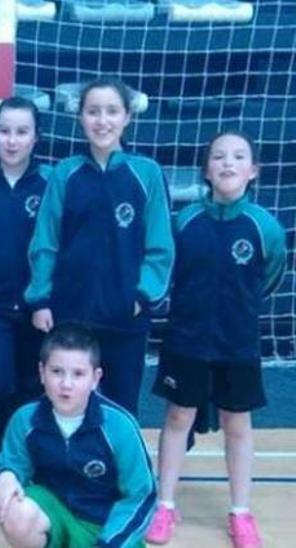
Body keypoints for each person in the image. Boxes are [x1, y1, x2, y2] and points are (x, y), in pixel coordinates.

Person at [145, 131, 287, 548]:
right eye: (219, 156)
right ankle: (165, 505)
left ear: (253, 170)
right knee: (176, 419)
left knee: (237, 425)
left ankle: (241, 513)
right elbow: (171, 272)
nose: (227, 163)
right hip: (186, 340)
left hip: (237, 344)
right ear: (206, 169)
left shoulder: (266, 228)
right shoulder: (185, 222)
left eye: (239, 156)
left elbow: (270, 280)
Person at [26, 76, 174, 415]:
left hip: (124, 317)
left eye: (111, 111)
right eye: (93, 111)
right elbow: (45, 242)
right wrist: (41, 299)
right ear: (81, 117)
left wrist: (143, 296)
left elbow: (161, 245)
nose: (102, 120)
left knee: (121, 408)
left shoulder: (146, 173)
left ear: (127, 117)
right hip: (70, 314)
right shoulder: (65, 173)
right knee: (67, 406)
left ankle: (120, 469)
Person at [0, 324, 155, 548]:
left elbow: (142, 495)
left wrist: (110, 543)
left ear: (95, 378)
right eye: (57, 371)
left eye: (78, 374)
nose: (66, 384)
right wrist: (6, 474)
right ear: (42, 372)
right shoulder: (25, 419)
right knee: (15, 507)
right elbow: (11, 462)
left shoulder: (119, 426)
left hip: (107, 529)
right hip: (56, 518)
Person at [0, 96, 50, 453]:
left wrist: (46, 295)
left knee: (32, 388)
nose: (12, 140)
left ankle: (26, 462)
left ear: (35, 137)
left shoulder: (52, 183)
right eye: (4, 131)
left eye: (21, 132)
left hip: (37, 307)